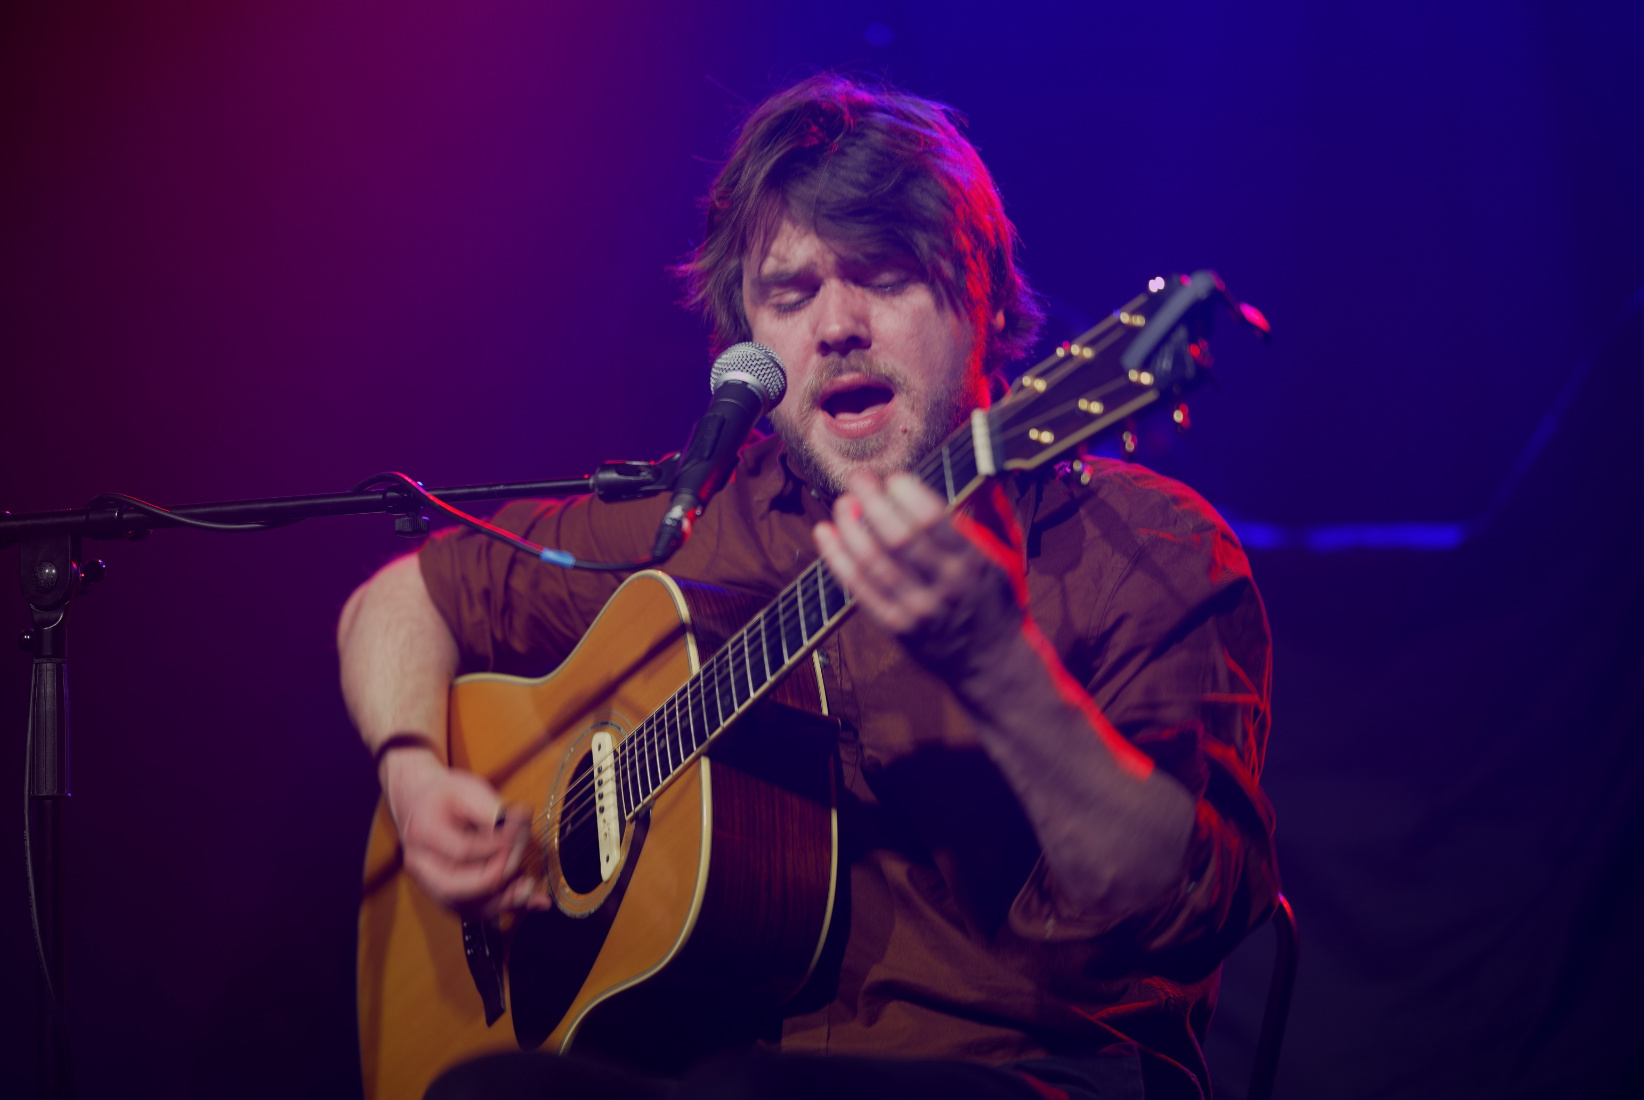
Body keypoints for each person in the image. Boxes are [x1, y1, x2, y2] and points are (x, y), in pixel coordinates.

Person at [338, 74, 1277, 1100]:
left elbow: (1174, 910)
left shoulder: (1144, 547)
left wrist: (998, 667)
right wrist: (413, 778)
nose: (836, 327)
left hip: (1031, 1076)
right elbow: (401, 597)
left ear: (990, 299)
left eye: (885, 275)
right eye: (789, 296)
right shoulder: (707, 520)